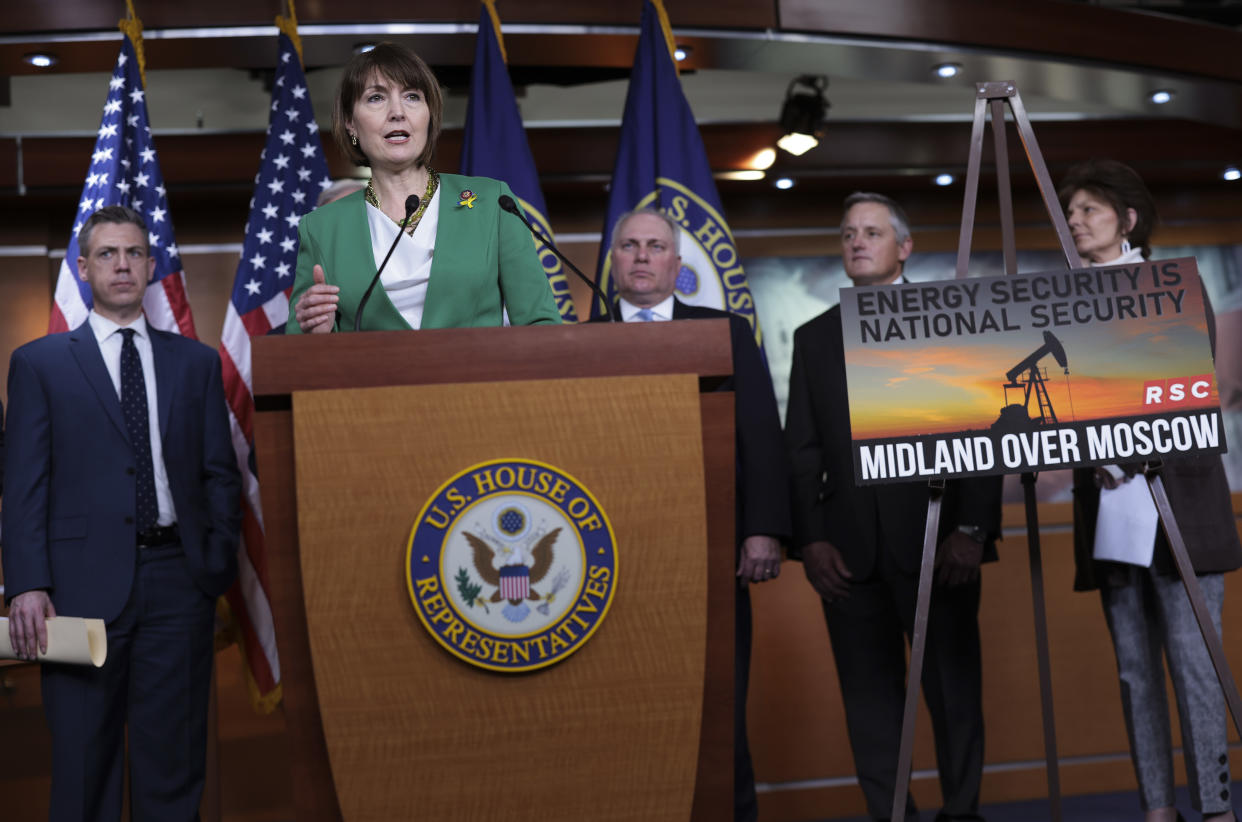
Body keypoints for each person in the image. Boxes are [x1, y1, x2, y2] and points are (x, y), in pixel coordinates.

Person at [3, 205, 241, 821]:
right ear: (83, 269)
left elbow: (220, 473)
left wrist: (211, 565)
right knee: (85, 768)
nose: (121, 265)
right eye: (107, 254)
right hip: (78, 592)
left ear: (151, 266)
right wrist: (27, 581)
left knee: (173, 767)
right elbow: (24, 483)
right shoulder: (40, 364)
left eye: (133, 253)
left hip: (178, 586)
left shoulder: (196, 363)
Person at [785, 192, 1002, 822]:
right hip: (848, 557)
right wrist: (811, 541)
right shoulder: (814, 338)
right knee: (870, 705)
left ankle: (962, 812)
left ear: (903, 247)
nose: (857, 241)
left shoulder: (951, 319)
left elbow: (988, 428)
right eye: (848, 232)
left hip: (941, 547)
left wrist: (971, 527)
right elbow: (801, 449)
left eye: (872, 232)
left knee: (955, 694)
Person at [1061, 159, 1241, 822]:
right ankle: (1157, 810)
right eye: (1071, 211)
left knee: (1196, 670)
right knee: (1136, 673)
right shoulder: (1060, 306)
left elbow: (1191, 399)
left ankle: (1217, 808)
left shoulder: (1177, 291)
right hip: (1108, 514)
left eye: (1088, 210)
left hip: (1182, 509)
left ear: (1127, 220)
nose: (1074, 221)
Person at [602, 208, 791, 821]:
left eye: (655, 247)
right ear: (613, 263)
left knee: (720, 708)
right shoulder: (579, 339)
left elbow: (761, 436)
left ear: (677, 267)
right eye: (628, 245)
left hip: (713, 552)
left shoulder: (725, 332)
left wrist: (762, 528)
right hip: (612, 562)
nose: (640, 256)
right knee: (632, 709)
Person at [290, 42, 560, 333]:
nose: (397, 112)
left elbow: (541, 325)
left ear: (429, 116)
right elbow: (294, 356)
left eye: (412, 96)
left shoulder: (493, 202)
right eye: (376, 98)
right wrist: (318, 335)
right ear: (350, 124)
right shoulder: (321, 228)